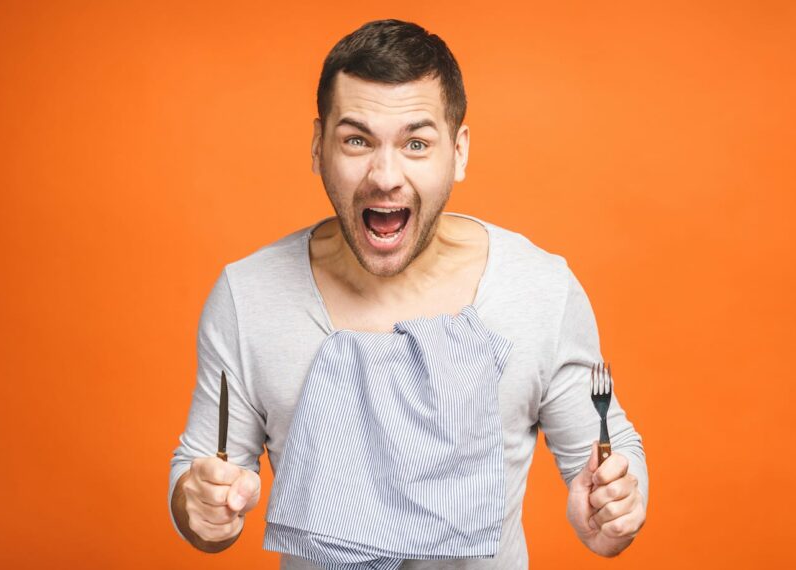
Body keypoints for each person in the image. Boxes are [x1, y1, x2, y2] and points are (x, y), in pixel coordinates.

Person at [168, 19, 648, 568]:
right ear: (318, 147)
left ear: (459, 151)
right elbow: (199, 478)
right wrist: (200, 506)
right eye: (356, 140)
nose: (385, 176)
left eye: (416, 143)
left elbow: (612, 453)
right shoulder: (247, 295)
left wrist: (615, 510)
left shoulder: (538, 287)